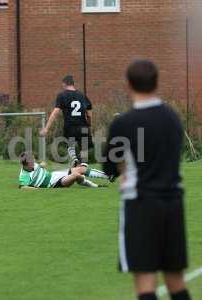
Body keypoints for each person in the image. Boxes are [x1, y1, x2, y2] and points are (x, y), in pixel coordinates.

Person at [103, 60, 192, 300]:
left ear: (129, 85)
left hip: (141, 204)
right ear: (156, 82)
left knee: (145, 282)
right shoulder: (172, 118)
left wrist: (124, 169)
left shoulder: (123, 124)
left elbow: (110, 166)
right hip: (173, 202)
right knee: (176, 281)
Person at [40, 75, 93, 167]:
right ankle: (82, 167)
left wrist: (46, 128)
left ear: (64, 84)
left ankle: (74, 159)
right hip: (83, 127)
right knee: (84, 154)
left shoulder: (62, 95)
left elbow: (55, 112)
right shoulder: (82, 95)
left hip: (70, 127)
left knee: (70, 146)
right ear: (73, 83)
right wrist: (89, 123)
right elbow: (89, 112)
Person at [18, 152, 110, 189]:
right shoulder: (24, 175)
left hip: (54, 175)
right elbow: (23, 187)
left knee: (81, 169)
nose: (33, 162)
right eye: (31, 161)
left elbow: (41, 165)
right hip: (53, 183)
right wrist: (35, 189)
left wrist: (42, 165)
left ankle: (108, 176)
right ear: (26, 164)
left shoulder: (32, 164)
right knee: (77, 175)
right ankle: (97, 187)